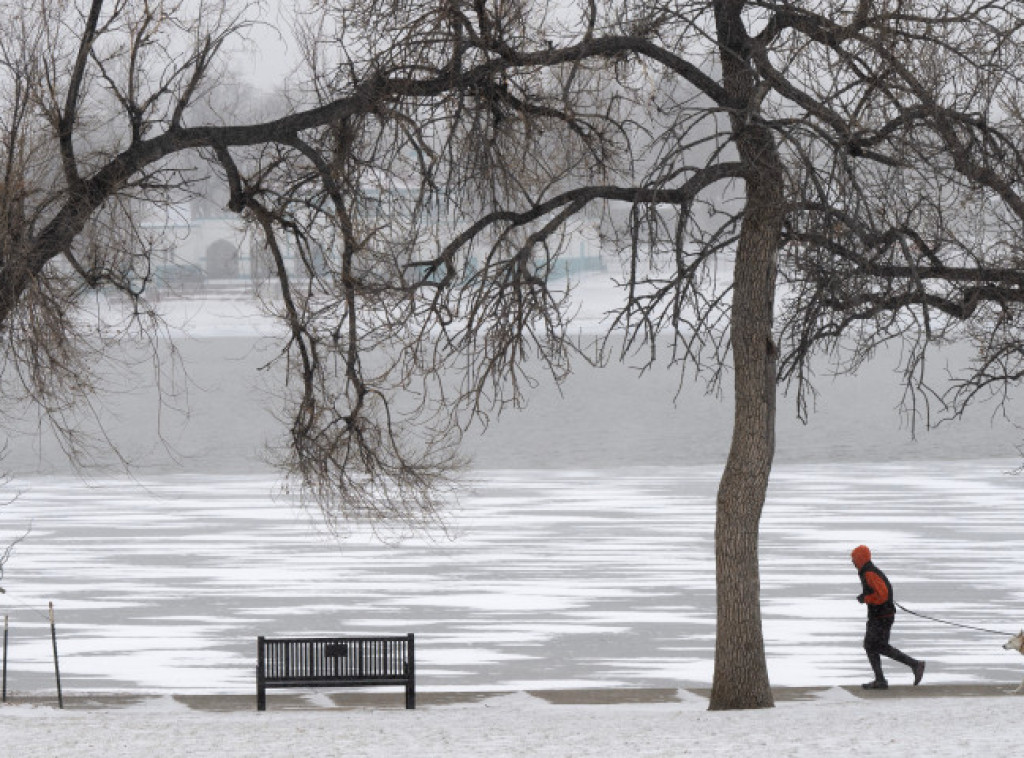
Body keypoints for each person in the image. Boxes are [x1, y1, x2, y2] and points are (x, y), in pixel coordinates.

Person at [851, 545, 926, 689]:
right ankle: (882, 679)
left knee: (874, 645)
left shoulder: (869, 573)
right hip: (882, 615)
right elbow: (880, 592)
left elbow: (882, 595)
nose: (853, 562)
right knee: (874, 646)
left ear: (860, 558)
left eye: (854, 559)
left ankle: (914, 665)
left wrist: (866, 598)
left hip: (881, 616)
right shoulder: (868, 571)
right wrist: (866, 597)